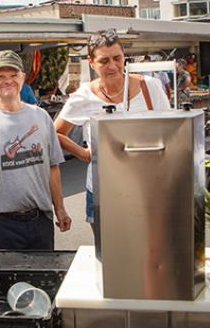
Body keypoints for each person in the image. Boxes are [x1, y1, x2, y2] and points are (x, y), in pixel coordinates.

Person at [54, 30, 170, 237]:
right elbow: (55, 133)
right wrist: (84, 154)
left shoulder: (150, 87)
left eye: (117, 58)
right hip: (102, 189)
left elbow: (170, 131)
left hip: (147, 187)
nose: (112, 66)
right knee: (107, 255)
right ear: (91, 62)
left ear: (124, 56)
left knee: (149, 251)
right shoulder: (83, 96)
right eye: (104, 61)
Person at [0, 50, 71, 250]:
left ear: (23, 78)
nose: (8, 81)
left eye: (13, 75)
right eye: (0, 76)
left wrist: (60, 209)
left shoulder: (41, 117)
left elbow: (52, 168)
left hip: (40, 222)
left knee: (44, 281)